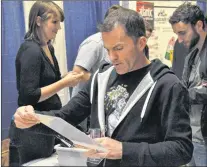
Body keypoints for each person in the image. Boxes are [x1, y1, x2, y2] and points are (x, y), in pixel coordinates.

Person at [13, 7, 193, 166]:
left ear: (141, 43)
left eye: (119, 48)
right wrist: (33, 120)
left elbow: (181, 149)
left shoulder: (167, 85)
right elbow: (65, 118)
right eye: (107, 50)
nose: (112, 57)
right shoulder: (101, 78)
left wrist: (124, 150)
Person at [9, 1, 83, 166]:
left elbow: (48, 82)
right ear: (38, 21)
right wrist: (64, 83)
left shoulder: (48, 48)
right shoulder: (31, 50)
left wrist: (66, 77)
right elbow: (30, 95)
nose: (59, 27)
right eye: (54, 22)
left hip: (45, 124)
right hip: (32, 129)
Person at [169, 3, 207, 166]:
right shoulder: (191, 54)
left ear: (199, 25)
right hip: (189, 136)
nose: (180, 39)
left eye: (183, 33)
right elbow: (184, 87)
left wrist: (185, 93)